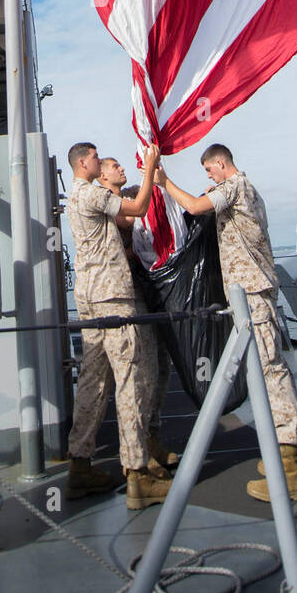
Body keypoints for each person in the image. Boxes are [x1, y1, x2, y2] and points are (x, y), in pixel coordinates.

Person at [155, 143, 297, 502]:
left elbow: (194, 206)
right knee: (273, 369)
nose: (208, 177)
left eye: (210, 171)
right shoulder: (247, 191)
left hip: (252, 293)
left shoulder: (236, 186)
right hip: (256, 292)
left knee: (271, 372)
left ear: (221, 163)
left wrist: (164, 182)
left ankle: (290, 468)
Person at [64, 141, 172, 511]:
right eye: (95, 157)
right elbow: (138, 207)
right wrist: (150, 168)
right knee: (130, 378)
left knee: (92, 381)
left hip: (88, 299)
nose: (98, 159)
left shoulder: (73, 198)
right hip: (112, 295)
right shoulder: (92, 194)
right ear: (83, 163)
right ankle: (138, 474)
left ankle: (80, 464)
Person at [98, 161, 177, 471]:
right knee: (138, 373)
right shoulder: (105, 203)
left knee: (160, 366)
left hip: (148, 292)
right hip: (124, 299)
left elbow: (148, 202)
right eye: (113, 165)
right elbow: (134, 214)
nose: (120, 167)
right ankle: (139, 447)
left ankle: (152, 434)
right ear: (102, 175)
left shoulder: (128, 196)